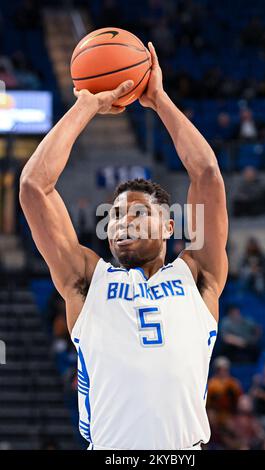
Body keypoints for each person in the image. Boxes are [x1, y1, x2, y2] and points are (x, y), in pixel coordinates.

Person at [19, 43, 228, 450]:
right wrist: (85, 107)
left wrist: (159, 101)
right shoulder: (86, 281)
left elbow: (205, 173)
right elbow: (33, 187)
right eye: (114, 216)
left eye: (136, 214)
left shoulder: (198, 273)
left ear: (170, 226)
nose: (121, 224)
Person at [207, 357, 243, 427]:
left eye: (225, 369)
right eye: (220, 369)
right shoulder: (211, 384)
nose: (222, 372)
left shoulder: (233, 383)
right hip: (215, 412)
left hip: (229, 413)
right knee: (211, 417)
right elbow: (208, 403)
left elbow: (239, 400)